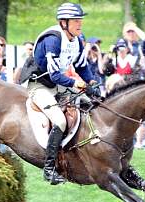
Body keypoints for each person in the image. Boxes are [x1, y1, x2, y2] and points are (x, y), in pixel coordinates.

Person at [19, 2, 97, 185]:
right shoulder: (52, 40)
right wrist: (75, 83)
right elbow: (54, 75)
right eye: (76, 20)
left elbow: (82, 66)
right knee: (60, 121)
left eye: (80, 20)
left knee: (90, 103)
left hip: (58, 85)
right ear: (64, 23)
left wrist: (91, 81)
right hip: (40, 86)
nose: (80, 23)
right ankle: (49, 168)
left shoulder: (76, 40)